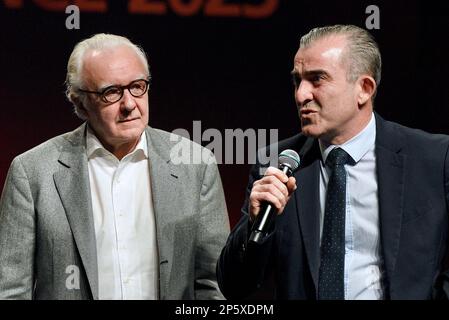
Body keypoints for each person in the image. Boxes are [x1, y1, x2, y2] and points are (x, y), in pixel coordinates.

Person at [217, 24, 449, 300]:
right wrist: (256, 224)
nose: (301, 95)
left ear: (364, 88)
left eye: (317, 79)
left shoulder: (433, 158)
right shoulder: (276, 164)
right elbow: (234, 287)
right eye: (297, 81)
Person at [0, 34, 230, 300]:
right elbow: (11, 290)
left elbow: (213, 285)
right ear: (80, 103)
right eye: (111, 92)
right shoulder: (32, 173)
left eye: (137, 86)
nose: (129, 104)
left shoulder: (196, 165)